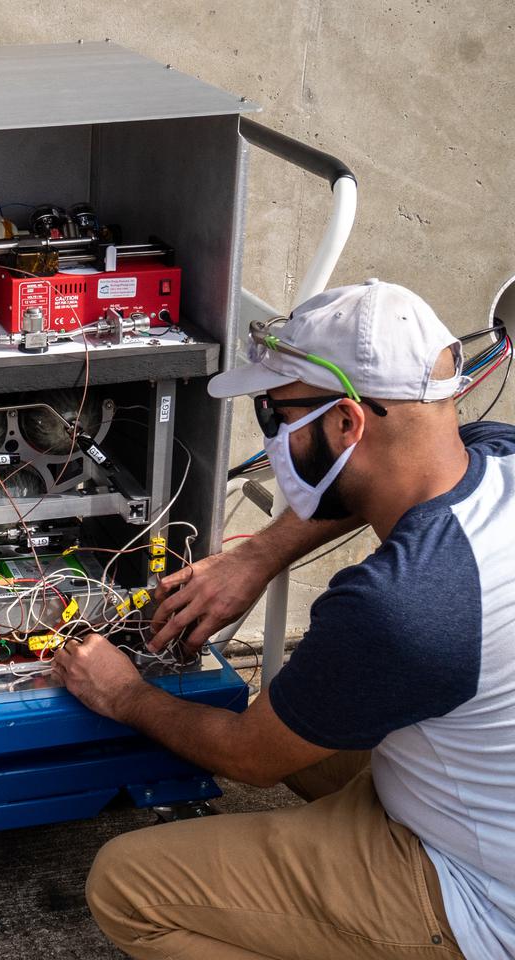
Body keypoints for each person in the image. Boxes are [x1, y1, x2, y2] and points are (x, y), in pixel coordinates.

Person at [54, 279, 515, 960]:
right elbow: (392, 475)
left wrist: (123, 693)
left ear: (346, 423)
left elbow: (251, 757)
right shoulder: (495, 454)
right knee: (310, 740)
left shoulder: (400, 605)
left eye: (275, 412)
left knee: (128, 886)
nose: (267, 429)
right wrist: (254, 559)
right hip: (488, 791)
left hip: (482, 899)